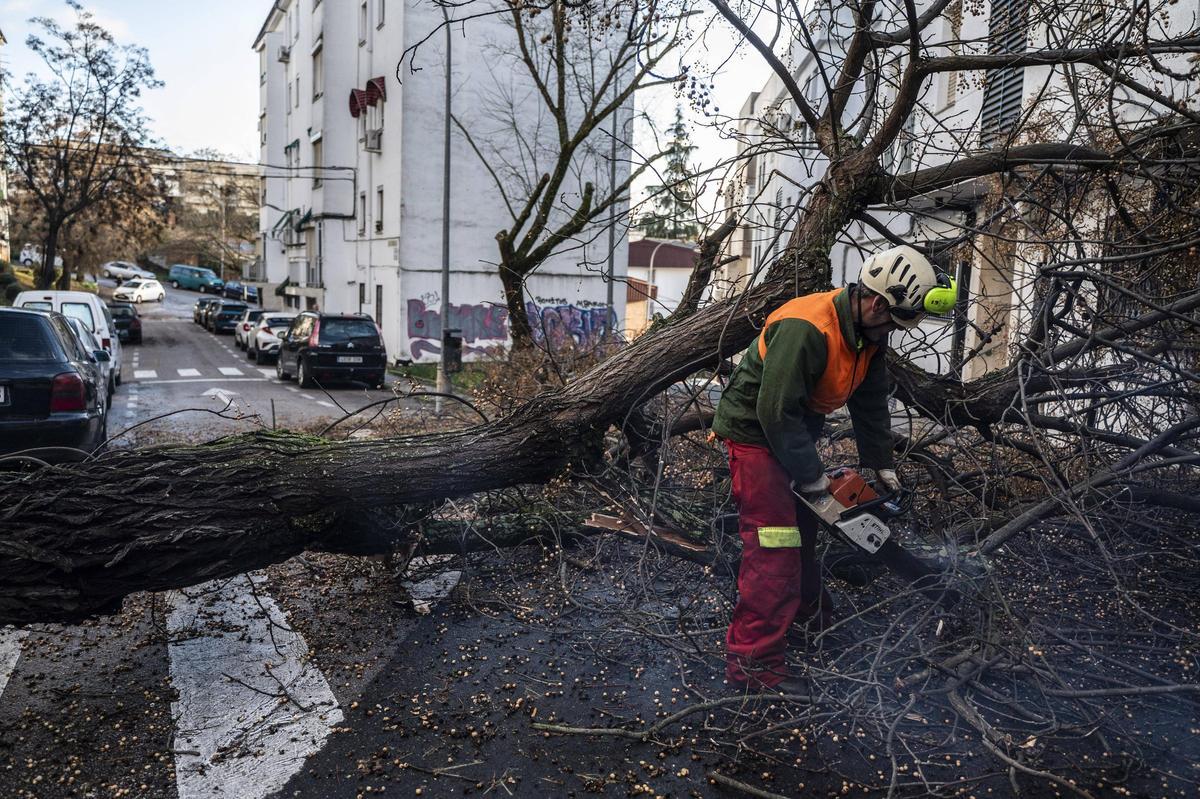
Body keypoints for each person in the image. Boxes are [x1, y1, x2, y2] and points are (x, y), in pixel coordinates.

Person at [711, 245, 956, 691]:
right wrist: (812, 478)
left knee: (804, 530)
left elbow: (870, 403)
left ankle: (808, 617)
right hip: (756, 435)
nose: (893, 333)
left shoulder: (868, 335)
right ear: (878, 302)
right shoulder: (807, 327)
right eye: (895, 321)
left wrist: (880, 466)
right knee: (775, 545)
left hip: (794, 433)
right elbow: (775, 413)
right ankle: (753, 665)